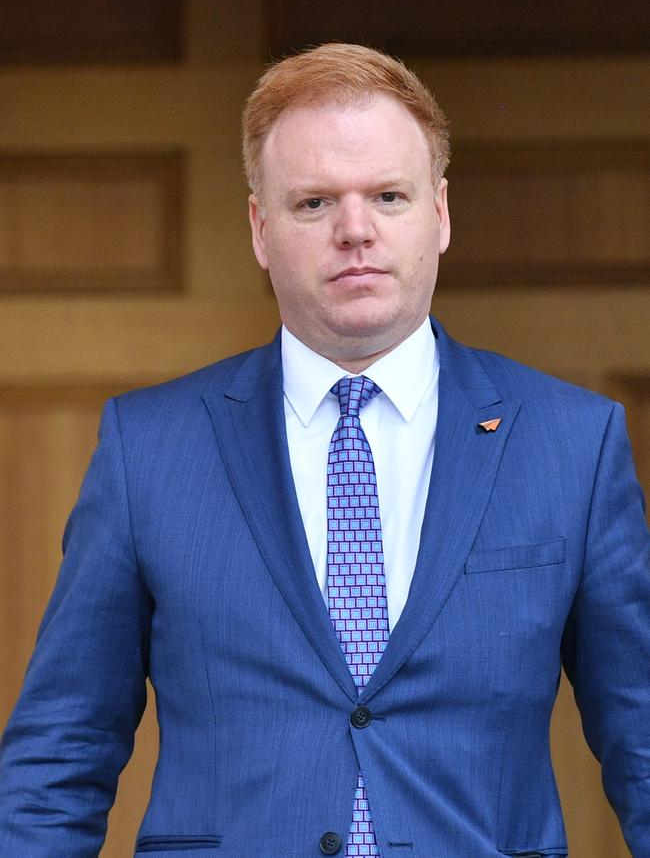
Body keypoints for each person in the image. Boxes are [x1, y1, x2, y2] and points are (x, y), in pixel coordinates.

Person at [0, 43, 648, 858]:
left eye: (388, 195)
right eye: (313, 203)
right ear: (260, 229)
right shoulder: (148, 449)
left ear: (440, 215)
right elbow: (60, 755)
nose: (355, 230)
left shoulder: (573, 444)